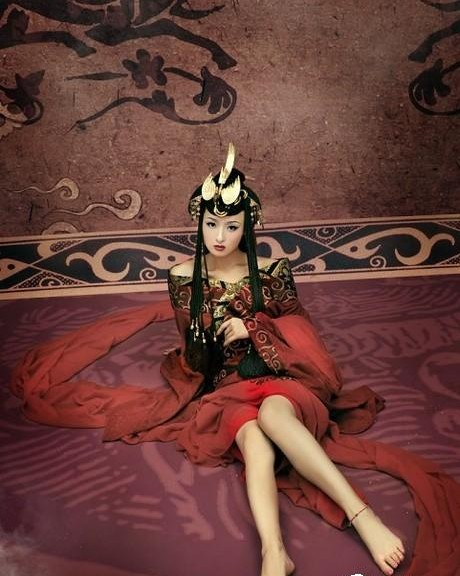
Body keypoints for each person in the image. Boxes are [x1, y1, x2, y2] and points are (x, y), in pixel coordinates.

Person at [10, 145, 460, 576]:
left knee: (273, 414)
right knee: (252, 441)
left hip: (281, 376)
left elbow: (303, 333)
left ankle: (362, 515)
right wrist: (200, 340)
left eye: (231, 226)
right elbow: (196, 358)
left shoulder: (272, 271)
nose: (220, 237)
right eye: (211, 225)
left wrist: (255, 327)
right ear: (199, 223)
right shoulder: (183, 277)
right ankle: (274, 551)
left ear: (248, 225)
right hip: (228, 387)